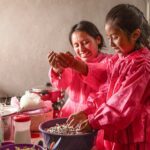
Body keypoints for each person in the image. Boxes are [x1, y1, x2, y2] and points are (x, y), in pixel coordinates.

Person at [67, 4, 150, 150]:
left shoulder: (141, 66)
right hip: (119, 132)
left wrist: (94, 121)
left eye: (115, 37)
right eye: (109, 38)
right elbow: (108, 93)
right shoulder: (120, 59)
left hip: (135, 137)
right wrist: (88, 112)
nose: (111, 44)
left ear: (135, 34)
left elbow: (123, 106)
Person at [48, 20, 111, 149]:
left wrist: (76, 65)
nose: (81, 49)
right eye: (76, 45)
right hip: (70, 113)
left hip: (95, 114)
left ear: (98, 40)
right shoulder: (72, 62)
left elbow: (103, 81)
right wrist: (57, 69)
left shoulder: (109, 61)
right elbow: (62, 85)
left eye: (85, 42)